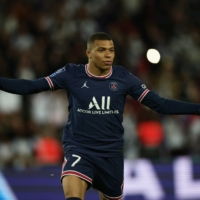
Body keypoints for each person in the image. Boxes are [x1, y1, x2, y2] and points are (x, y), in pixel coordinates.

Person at [0, 32, 200, 200]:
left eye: (111, 50)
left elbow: (161, 105)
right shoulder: (71, 73)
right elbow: (30, 86)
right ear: (89, 53)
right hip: (80, 149)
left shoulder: (123, 77)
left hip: (110, 155)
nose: (108, 55)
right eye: (102, 50)